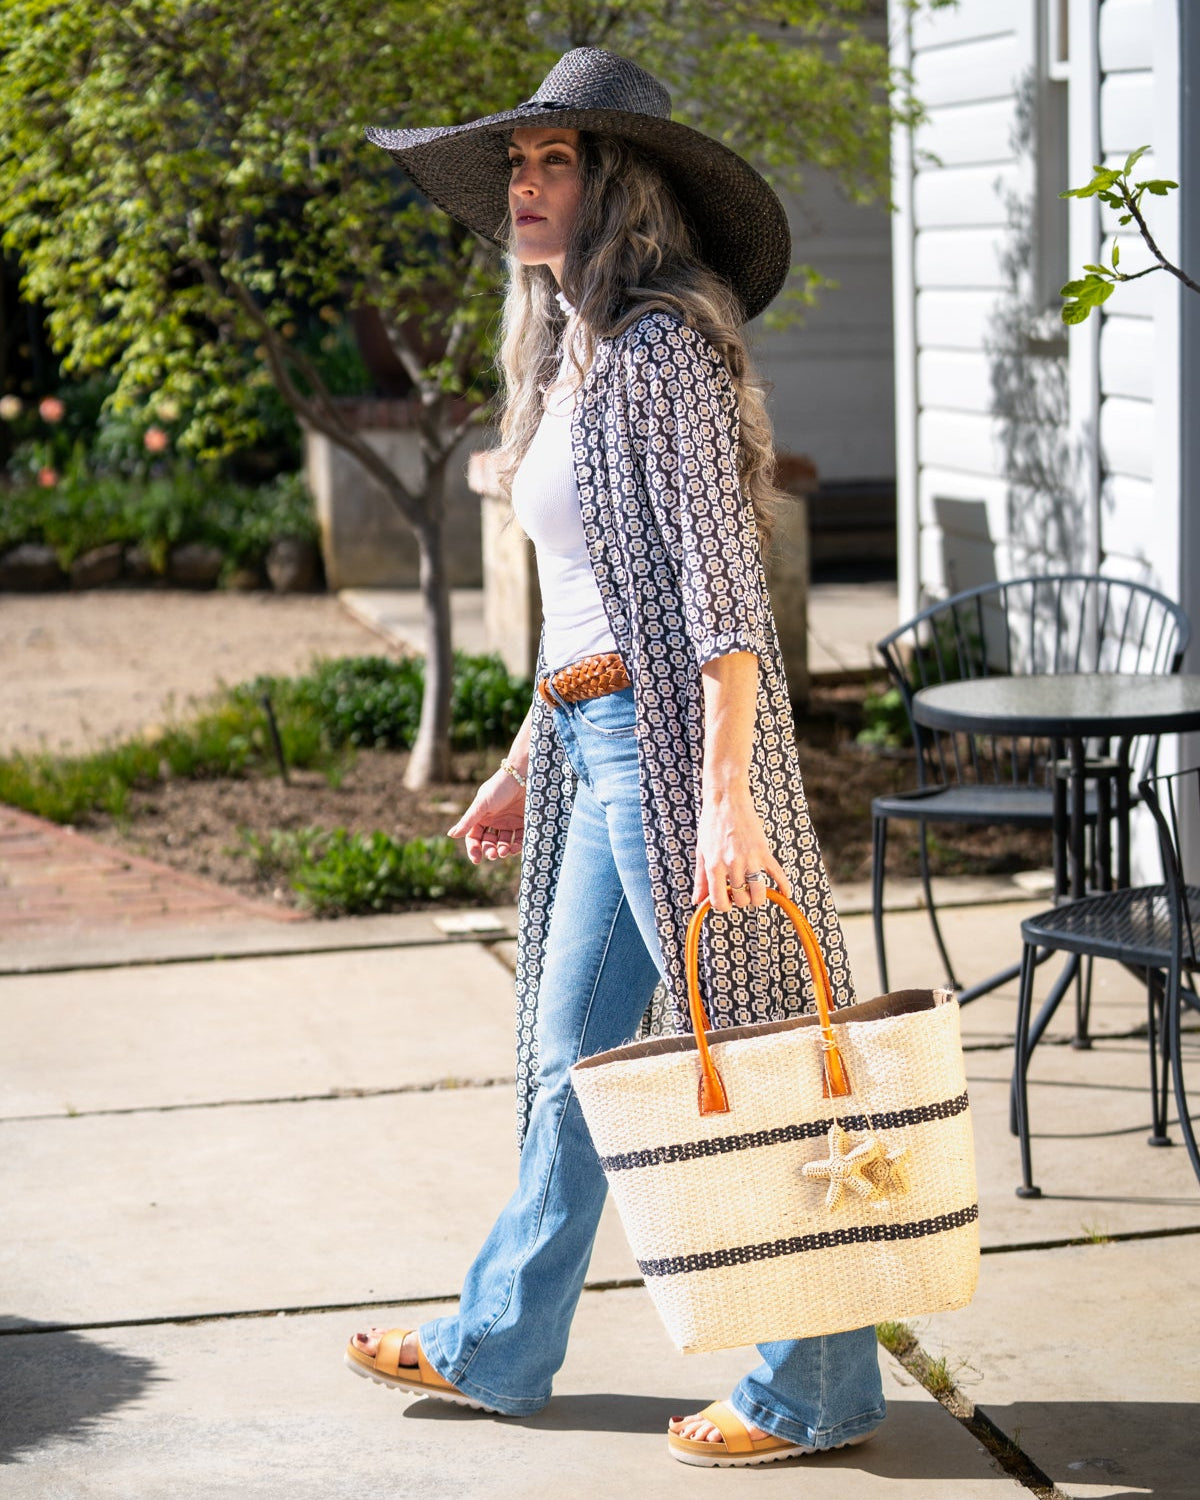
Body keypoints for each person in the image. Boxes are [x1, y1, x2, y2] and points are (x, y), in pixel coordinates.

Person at [345, 47, 886, 1468]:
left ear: (620, 185)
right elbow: (592, 604)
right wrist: (533, 752)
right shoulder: (567, 351)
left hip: (673, 755)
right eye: (517, 163)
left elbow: (720, 599)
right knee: (575, 1062)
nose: (526, 186)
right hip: (593, 738)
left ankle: (819, 1385)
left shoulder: (663, 351)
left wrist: (720, 805)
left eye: (556, 160)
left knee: (749, 1057)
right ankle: (502, 1342)